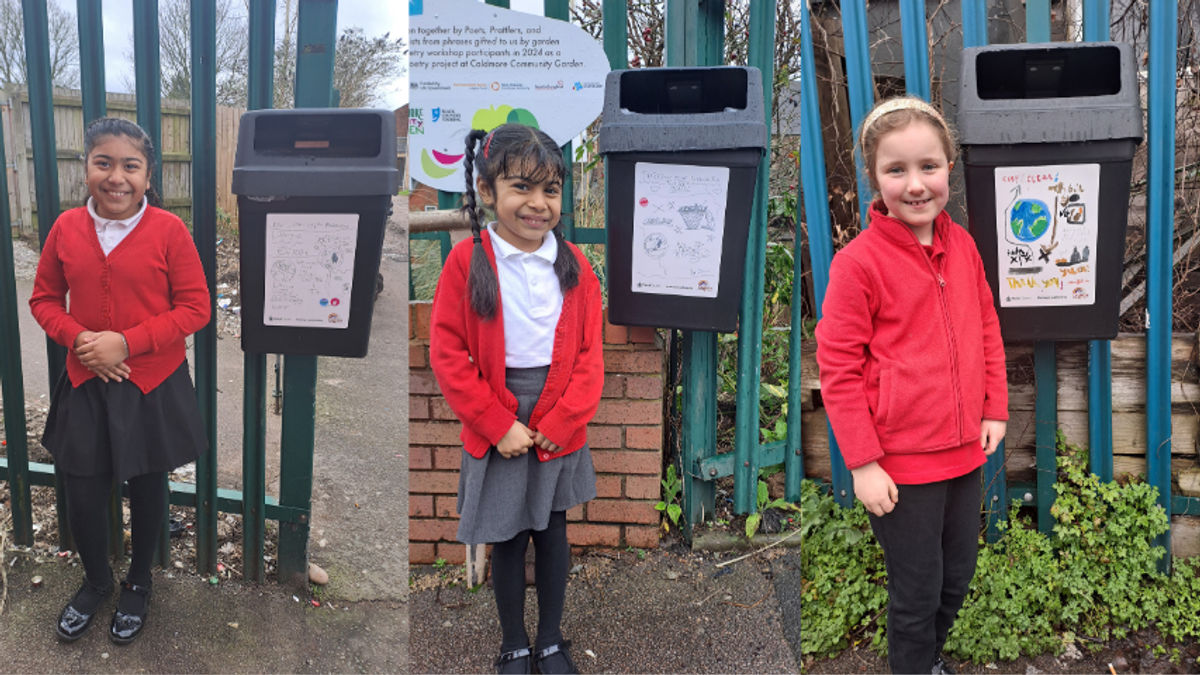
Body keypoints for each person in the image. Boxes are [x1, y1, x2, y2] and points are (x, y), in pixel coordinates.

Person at [815, 96, 1009, 674]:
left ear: (950, 165)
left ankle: (927, 660)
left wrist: (993, 407)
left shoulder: (965, 246)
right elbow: (839, 370)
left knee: (958, 577)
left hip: (963, 455)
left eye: (928, 166)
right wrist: (863, 462)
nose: (916, 184)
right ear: (874, 177)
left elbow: (987, 330)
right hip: (899, 469)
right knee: (916, 594)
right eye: (896, 170)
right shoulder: (858, 264)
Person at [429, 123, 603, 675]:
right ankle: (514, 644)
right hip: (500, 418)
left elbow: (589, 357)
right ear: (487, 192)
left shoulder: (575, 266)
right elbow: (449, 353)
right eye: (521, 188)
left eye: (550, 190)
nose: (537, 203)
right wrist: (494, 422)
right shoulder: (467, 263)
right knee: (507, 536)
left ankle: (550, 640)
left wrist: (566, 419)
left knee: (552, 530)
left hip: (556, 414)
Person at [30, 117, 210, 645]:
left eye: (130, 166)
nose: (116, 178)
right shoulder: (65, 228)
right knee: (82, 486)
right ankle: (96, 581)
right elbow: (43, 299)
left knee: (148, 482)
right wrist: (82, 340)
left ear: (148, 176)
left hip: (149, 381)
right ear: (85, 167)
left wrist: (126, 343)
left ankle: (138, 582)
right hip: (84, 380)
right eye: (103, 163)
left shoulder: (169, 232)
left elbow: (196, 307)